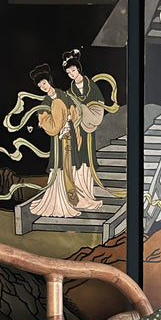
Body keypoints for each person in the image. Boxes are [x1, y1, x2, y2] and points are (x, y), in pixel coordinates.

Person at [27, 64, 96, 218]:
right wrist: (58, 122)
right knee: (61, 167)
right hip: (58, 140)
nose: (43, 87)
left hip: (70, 135)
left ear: (49, 81)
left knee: (71, 166)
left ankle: (75, 198)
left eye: (44, 83)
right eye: (40, 86)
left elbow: (74, 110)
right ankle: (62, 200)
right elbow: (47, 123)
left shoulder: (63, 94)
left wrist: (70, 117)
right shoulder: (45, 103)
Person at [62, 50, 103, 211]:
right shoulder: (70, 91)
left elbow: (99, 104)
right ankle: (80, 197)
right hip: (77, 129)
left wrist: (84, 110)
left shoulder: (91, 85)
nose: (71, 74)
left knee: (87, 160)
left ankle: (89, 195)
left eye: (73, 70)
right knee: (78, 160)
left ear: (78, 69)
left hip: (89, 126)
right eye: (68, 72)